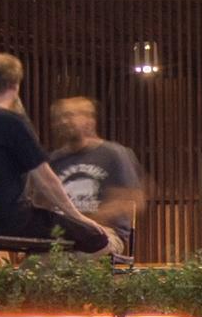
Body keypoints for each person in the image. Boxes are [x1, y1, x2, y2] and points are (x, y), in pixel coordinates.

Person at [0, 53, 106, 260]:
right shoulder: (11, 122)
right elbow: (45, 179)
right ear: (14, 83)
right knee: (95, 237)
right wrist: (78, 216)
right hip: (9, 221)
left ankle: (38, 273)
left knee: (51, 232)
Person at [43, 93, 151, 258]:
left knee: (68, 258)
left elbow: (133, 200)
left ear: (89, 120)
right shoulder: (54, 160)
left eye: (69, 116)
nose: (63, 122)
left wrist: (83, 221)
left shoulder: (114, 154)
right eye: (58, 117)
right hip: (62, 235)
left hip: (104, 234)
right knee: (32, 264)